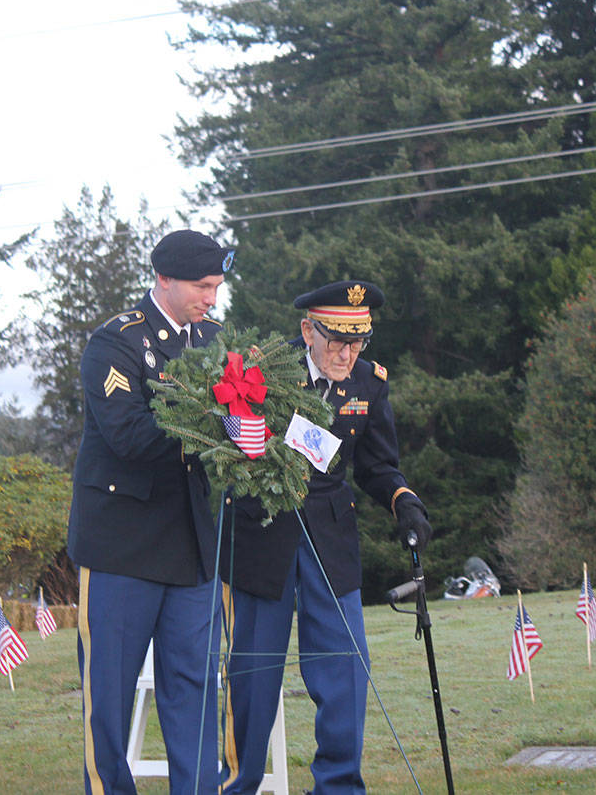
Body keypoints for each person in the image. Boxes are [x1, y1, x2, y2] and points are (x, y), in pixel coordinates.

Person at [220, 280, 433, 795]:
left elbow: (379, 464)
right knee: (253, 673)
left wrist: (404, 501)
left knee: (344, 669)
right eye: (337, 340)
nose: (347, 353)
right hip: (264, 532)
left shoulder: (369, 381)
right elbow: (231, 441)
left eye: (358, 341)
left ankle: (338, 785)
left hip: (330, 538)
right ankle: (237, 783)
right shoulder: (265, 370)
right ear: (307, 330)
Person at [68, 229, 234, 795]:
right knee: (109, 697)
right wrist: (221, 426)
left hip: (190, 546)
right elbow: (130, 437)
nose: (211, 299)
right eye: (201, 286)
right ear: (163, 278)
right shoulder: (115, 343)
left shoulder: (213, 339)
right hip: (121, 546)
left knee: (193, 688)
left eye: (216, 287)